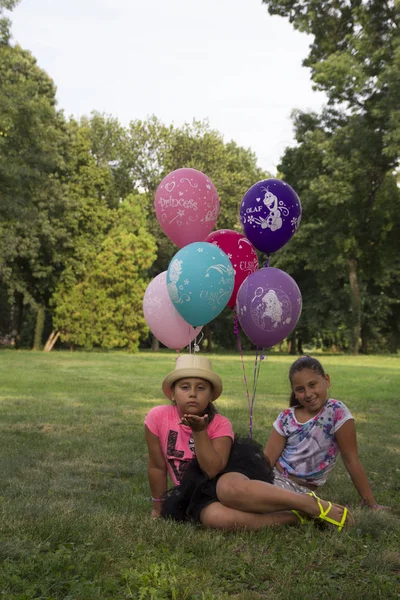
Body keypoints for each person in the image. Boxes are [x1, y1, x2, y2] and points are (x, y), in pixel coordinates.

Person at [144, 354, 354, 531]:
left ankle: (307, 502)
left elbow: (212, 470)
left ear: (211, 396)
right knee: (214, 518)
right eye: (184, 387)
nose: (192, 393)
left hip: (224, 474)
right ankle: (296, 516)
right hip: (194, 492)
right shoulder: (157, 418)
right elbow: (157, 466)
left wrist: (199, 431)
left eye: (201, 388)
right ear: (172, 392)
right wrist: (157, 507)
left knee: (227, 488)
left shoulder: (220, 424)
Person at [264, 355, 385, 509]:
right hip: (273, 477)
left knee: (249, 500)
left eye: (312, 385)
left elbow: (351, 459)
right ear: (294, 392)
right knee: (236, 487)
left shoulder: (336, 412)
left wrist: (371, 503)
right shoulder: (287, 417)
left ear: (326, 380)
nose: (308, 394)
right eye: (300, 389)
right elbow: (267, 460)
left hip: (300, 490)